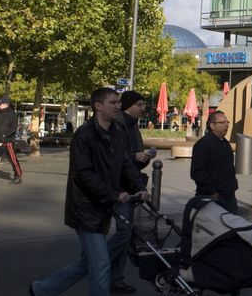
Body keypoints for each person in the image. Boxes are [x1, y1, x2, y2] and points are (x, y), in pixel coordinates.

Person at [29, 87, 149, 296]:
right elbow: (83, 175)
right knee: (101, 264)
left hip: (104, 205)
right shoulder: (84, 135)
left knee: (90, 262)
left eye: (118, 102)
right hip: (85, 208)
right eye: (113, 102)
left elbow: (125, 164)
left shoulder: (117, 131)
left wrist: (140, 187)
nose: (118, 106)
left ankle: (43, 289)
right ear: (98, 106)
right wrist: (113, 195)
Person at [108, 90, 157, 294]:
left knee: (125, 233)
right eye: (139, 104)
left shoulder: (132, 126)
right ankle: (96, 262)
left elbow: (132, 161)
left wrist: (144, 157)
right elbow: (115, 156)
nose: (143, 107)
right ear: (128, 105)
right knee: (124, 232)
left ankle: (115, 278)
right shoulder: (118, 124)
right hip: (118, 187)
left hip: (130, 185)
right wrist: (134, 156)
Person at [191, 111, 239, 213]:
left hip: (229, 195)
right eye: (222, 122)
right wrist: (212, 192)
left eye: (227, 122)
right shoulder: (203, 144)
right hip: (212, 197)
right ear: (212, 125)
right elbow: (197, 172)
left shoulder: (225, 143)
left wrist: (233, 185)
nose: (226, 125)